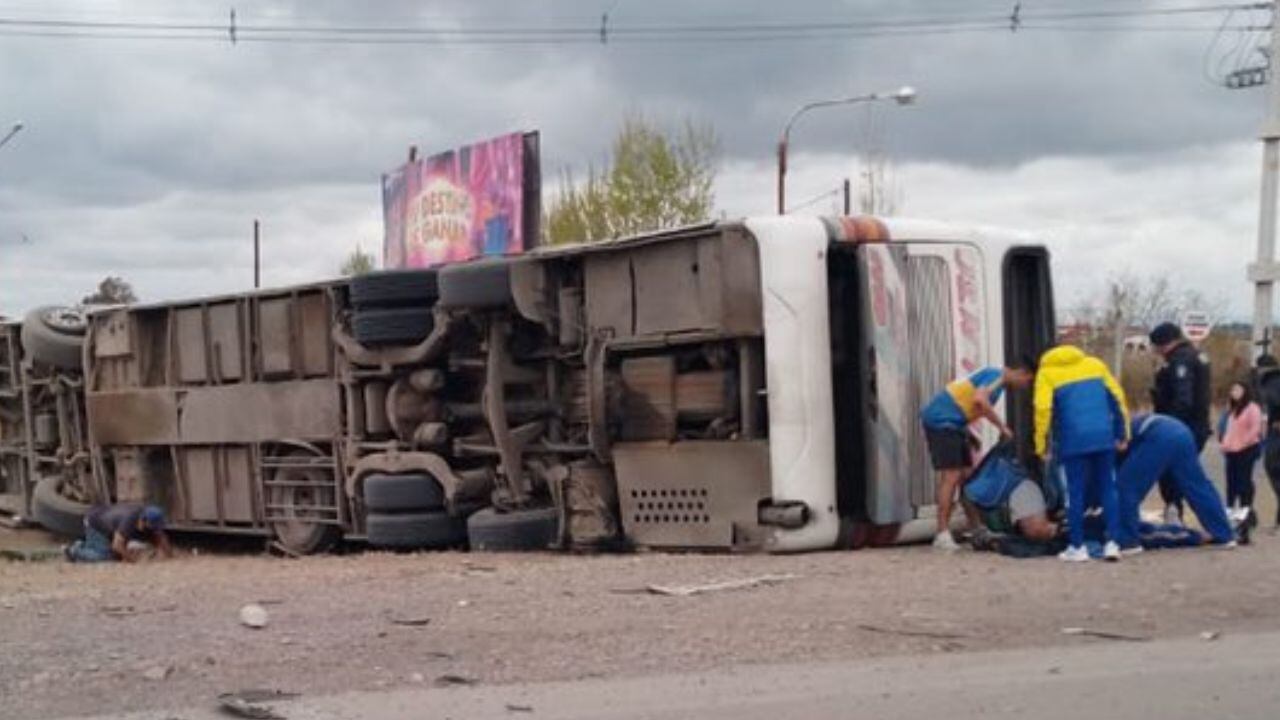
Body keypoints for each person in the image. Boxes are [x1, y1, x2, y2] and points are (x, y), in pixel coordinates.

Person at [919, 362, 1036, 551]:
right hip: (941, 422)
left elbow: (963, 401)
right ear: (1021, 373)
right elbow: (980, 400)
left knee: (968, 477)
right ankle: (942, 533)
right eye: (1027, 381)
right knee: (952, 476)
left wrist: (968, 432)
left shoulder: (997, 382)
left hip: (955, 424)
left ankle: (977, 528)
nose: (1025, 386)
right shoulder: (996, 375)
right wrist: (1002, 426)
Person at [1034, 345, 1129, 562]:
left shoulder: (1047, 373)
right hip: (1104, 437)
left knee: (1074, 493)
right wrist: (1122, 434)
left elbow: (1042, 410)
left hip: (1072, 441)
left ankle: (1077, 547)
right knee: (1108, 488)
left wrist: (1042, 445)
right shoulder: (1095, 365)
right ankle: (1113, 543)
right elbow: (1117, 398)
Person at [1115, 413, 1236, 551]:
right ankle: (1224, 533)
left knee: (1126, 487)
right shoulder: (1122, 423)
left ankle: (1128, 541)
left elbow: (1114, 479)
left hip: (1158, 435)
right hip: (1180, 431)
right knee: (1198, 486)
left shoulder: (1111, 438)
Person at [1148, 322, 1211, 523]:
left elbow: (1183, 399)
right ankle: (1187, 512)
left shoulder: (1180, 360)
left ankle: (1174, 510)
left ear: (1164, 343)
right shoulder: (1197, 356)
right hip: (1195, 425)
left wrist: (1169, 425)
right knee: (1186, 472)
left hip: (1183, 426)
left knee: (1171, 471)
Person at [65, 503, 173, 563]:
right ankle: (74, 550)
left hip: (109, 523)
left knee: (119, 554)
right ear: (143, 520)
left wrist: (169, 556)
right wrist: (133, 562)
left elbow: (160, 536)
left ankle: (87, 546)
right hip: (95, 523)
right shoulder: (130, 521)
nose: (153, 529)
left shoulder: (146, 518)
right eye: (151, 526)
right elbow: (117, 545)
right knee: (106, 557)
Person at [1219, 380, 1263, 517]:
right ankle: (1230, 510)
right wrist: (1224, 444)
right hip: (1231, 451)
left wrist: (1243, 443)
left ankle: (1245, 512)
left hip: (1247, 450)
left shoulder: (1252, 408)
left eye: (1238, 390)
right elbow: (1227, 430)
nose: (1235, 393)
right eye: (1233, 390)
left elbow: (1255, 429)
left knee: (1244, 482)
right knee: (1231, 482)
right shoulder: (1231, 410)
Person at [1255, 354, 1280, 528]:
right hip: (1272, 428)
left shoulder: (1272, 382)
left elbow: (1274, 402)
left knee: (1273, 467)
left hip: (1276, 431)